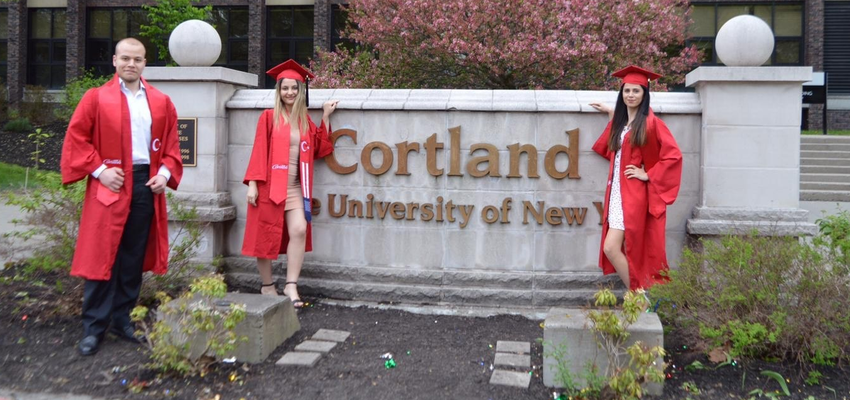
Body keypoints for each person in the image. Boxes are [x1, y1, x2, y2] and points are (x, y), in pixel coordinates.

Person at [61, 38, 183, 356]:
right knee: (102, 257)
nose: (131, 64)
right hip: (110, 184)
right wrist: (100, 171)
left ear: (145, 63)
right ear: (114, 61)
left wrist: (165, 175)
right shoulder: (96, 98)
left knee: (131, 258)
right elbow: (77, 138)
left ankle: (122, 320)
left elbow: (171, 145)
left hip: (145, 183)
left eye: (138, 59)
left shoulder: (160, 101)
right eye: (125, 58)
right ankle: (93, 328)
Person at [241, 60, 338, 308]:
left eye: (294, 88)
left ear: (300, 90)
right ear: (279, 91)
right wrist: (252, 183)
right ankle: (267, 286)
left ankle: (291, 285)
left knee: (298, 230)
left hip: (296, 188)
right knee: (265, 238)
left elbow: (319, 148)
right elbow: (258, 150)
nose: (290, 93)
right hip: (268, 186)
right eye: (285, 88)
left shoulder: (304, 120)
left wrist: (326, 116)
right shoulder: (268, 117)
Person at [588, 65, 682, 292]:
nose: (630, 95)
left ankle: (639, 295)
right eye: (627, 91)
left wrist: (648, 174)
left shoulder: (652, 124)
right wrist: (612, 115)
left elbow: (673, 156)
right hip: (618, 193)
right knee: (616, 246)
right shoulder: (623, 125)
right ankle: (639, 297)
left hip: (633, 195)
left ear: (644, 94)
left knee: (612, 247)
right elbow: (608, 151)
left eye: (636, 91)